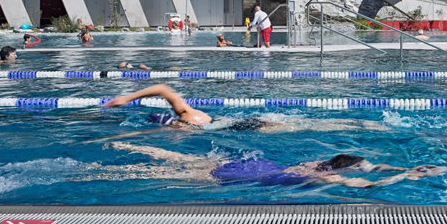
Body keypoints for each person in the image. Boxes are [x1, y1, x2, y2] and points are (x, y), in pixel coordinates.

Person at [102, 142, 446, 189]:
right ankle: (114, 169)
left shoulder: (319, 164)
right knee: (164, 175)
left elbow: (370, 169)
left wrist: (405, 167)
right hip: (255, 175)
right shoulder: (330, 180)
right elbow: (368, 183)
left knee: (183, 160)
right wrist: (408, 176)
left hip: (257, 163)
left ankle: (132, 146)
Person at [102, 84, 389, 133]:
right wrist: (126, 98)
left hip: (243, 127)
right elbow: (164, 89)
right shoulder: (188, 114)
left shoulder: (184, 123)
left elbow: (163, 89)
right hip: (242, 120)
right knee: (306, 124)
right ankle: (361, 124)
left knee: (304, 127)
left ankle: (361, 125)